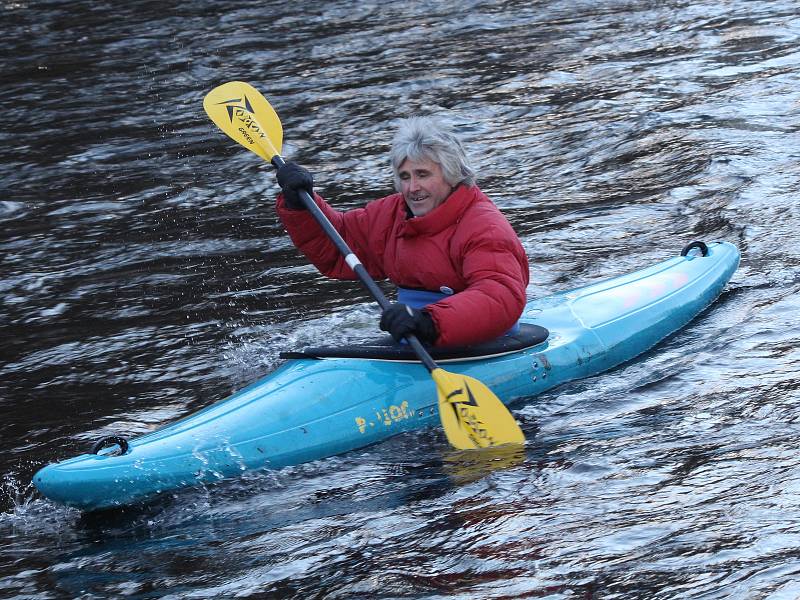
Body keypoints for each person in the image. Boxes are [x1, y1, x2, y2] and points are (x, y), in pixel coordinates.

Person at [274, 116, 529, 348]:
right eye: (405, 176)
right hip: (412, 332)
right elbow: (339, 242)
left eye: (422, 174)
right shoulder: (392, 214)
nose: (412, 187)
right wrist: (301, 204)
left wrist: (430, 321)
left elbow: (499, 294)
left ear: (452, 176)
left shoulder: (485, 226)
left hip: (485, 340)